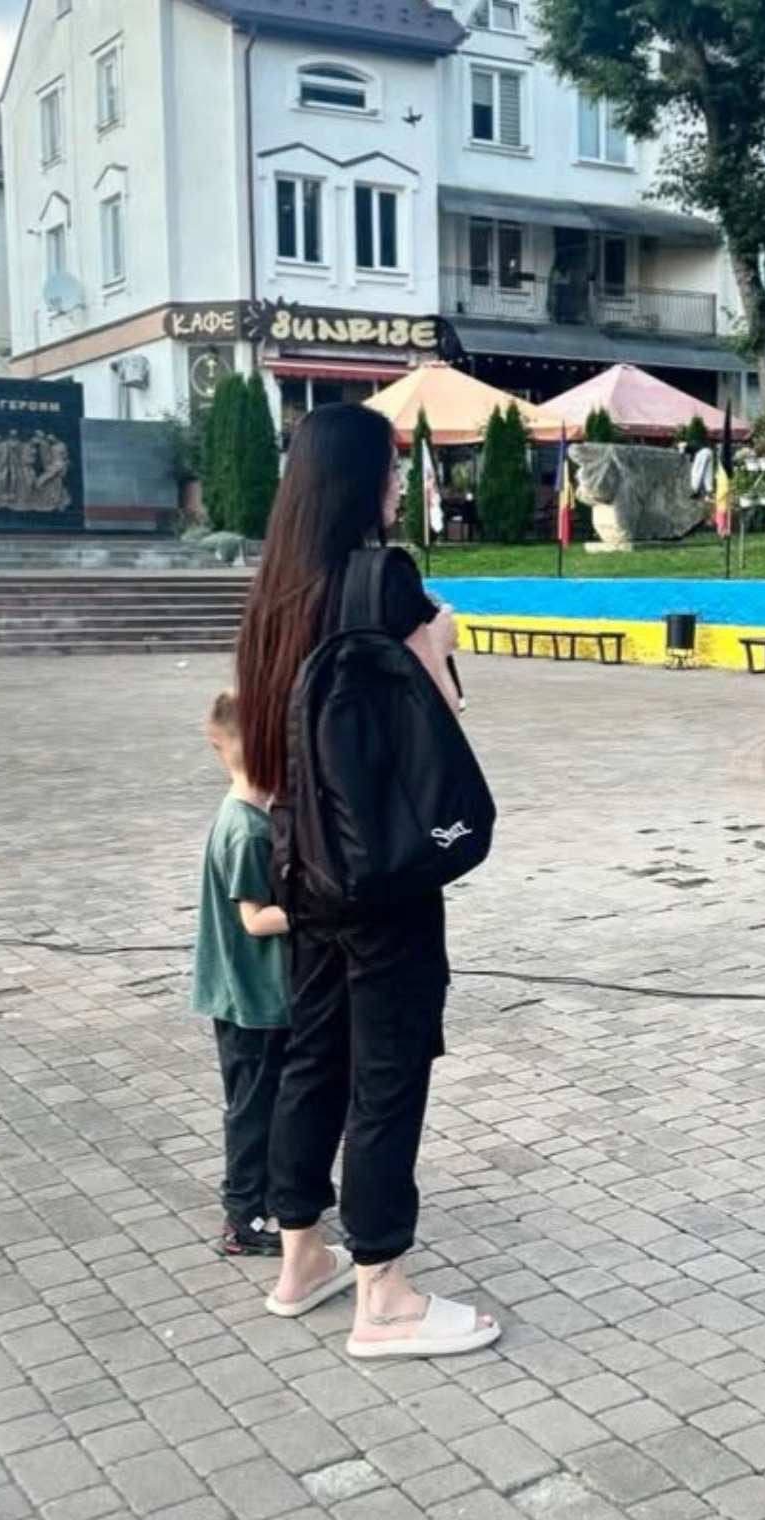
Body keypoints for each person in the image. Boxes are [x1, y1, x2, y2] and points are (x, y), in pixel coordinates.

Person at [233, 403, 495, 1359]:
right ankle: (384, 1292)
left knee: (314, 1057)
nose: (397, 486)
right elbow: (434, 731)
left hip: (300, 867)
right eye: (391, 468)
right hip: (382, 873)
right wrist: (438, 650)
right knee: (388, 1072)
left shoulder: (272, 594)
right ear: (360, 481)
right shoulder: (385, 579)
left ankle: (300, 1257)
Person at [191, 689, 291, 1258]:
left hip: (247, 992)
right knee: (254, 1107)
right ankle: (243, 1216)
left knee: (265, 1100)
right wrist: (320, 909)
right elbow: (256, 921)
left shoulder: (247, 815)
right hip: (251, 998)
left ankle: (272, 1194)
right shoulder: (248, 831)